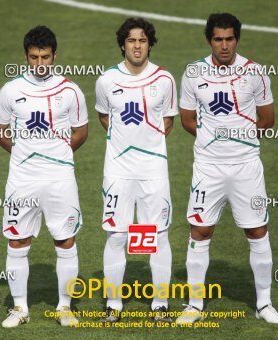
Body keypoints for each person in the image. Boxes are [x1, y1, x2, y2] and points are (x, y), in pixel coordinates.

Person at [176, 13, 278, 324]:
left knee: (257, 230)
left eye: (230, 39)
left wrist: (239, 142)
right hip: (207, 167)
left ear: (238, 39)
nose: (224, 45)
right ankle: (194, 305)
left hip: (246, 167)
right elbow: (187, 119)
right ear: (209, 40)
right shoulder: (194, 72)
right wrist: (214, 140)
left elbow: (267, 119)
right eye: (218, 39)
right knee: (200, 230)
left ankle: (264, 304)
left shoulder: (255, 72)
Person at [0, 25, 88, 328]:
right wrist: (20, 150)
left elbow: (81, 131)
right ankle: (20, 308)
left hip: (60, 178)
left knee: (66, 240)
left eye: (45, 57)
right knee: (17, 242)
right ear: (26, 56)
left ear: (54, 56)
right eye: (34, 57)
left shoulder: (70, 90)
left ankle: (64, 306)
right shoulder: (11, 90)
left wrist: (57, 154)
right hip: (22, 179)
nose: (40, 63)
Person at [95, 17, 177, 323]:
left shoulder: (165, 80)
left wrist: (145, 146)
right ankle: (113, 303)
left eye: (142, 40)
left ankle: (160, 304)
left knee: (154, 234)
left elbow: (168, 122)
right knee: (117, 235)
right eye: (131, 40)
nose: (137, 46)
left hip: (153, 171)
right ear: (122, 45)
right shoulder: (106, 81)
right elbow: (105, 118)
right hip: (117, 172)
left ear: (150, 44)